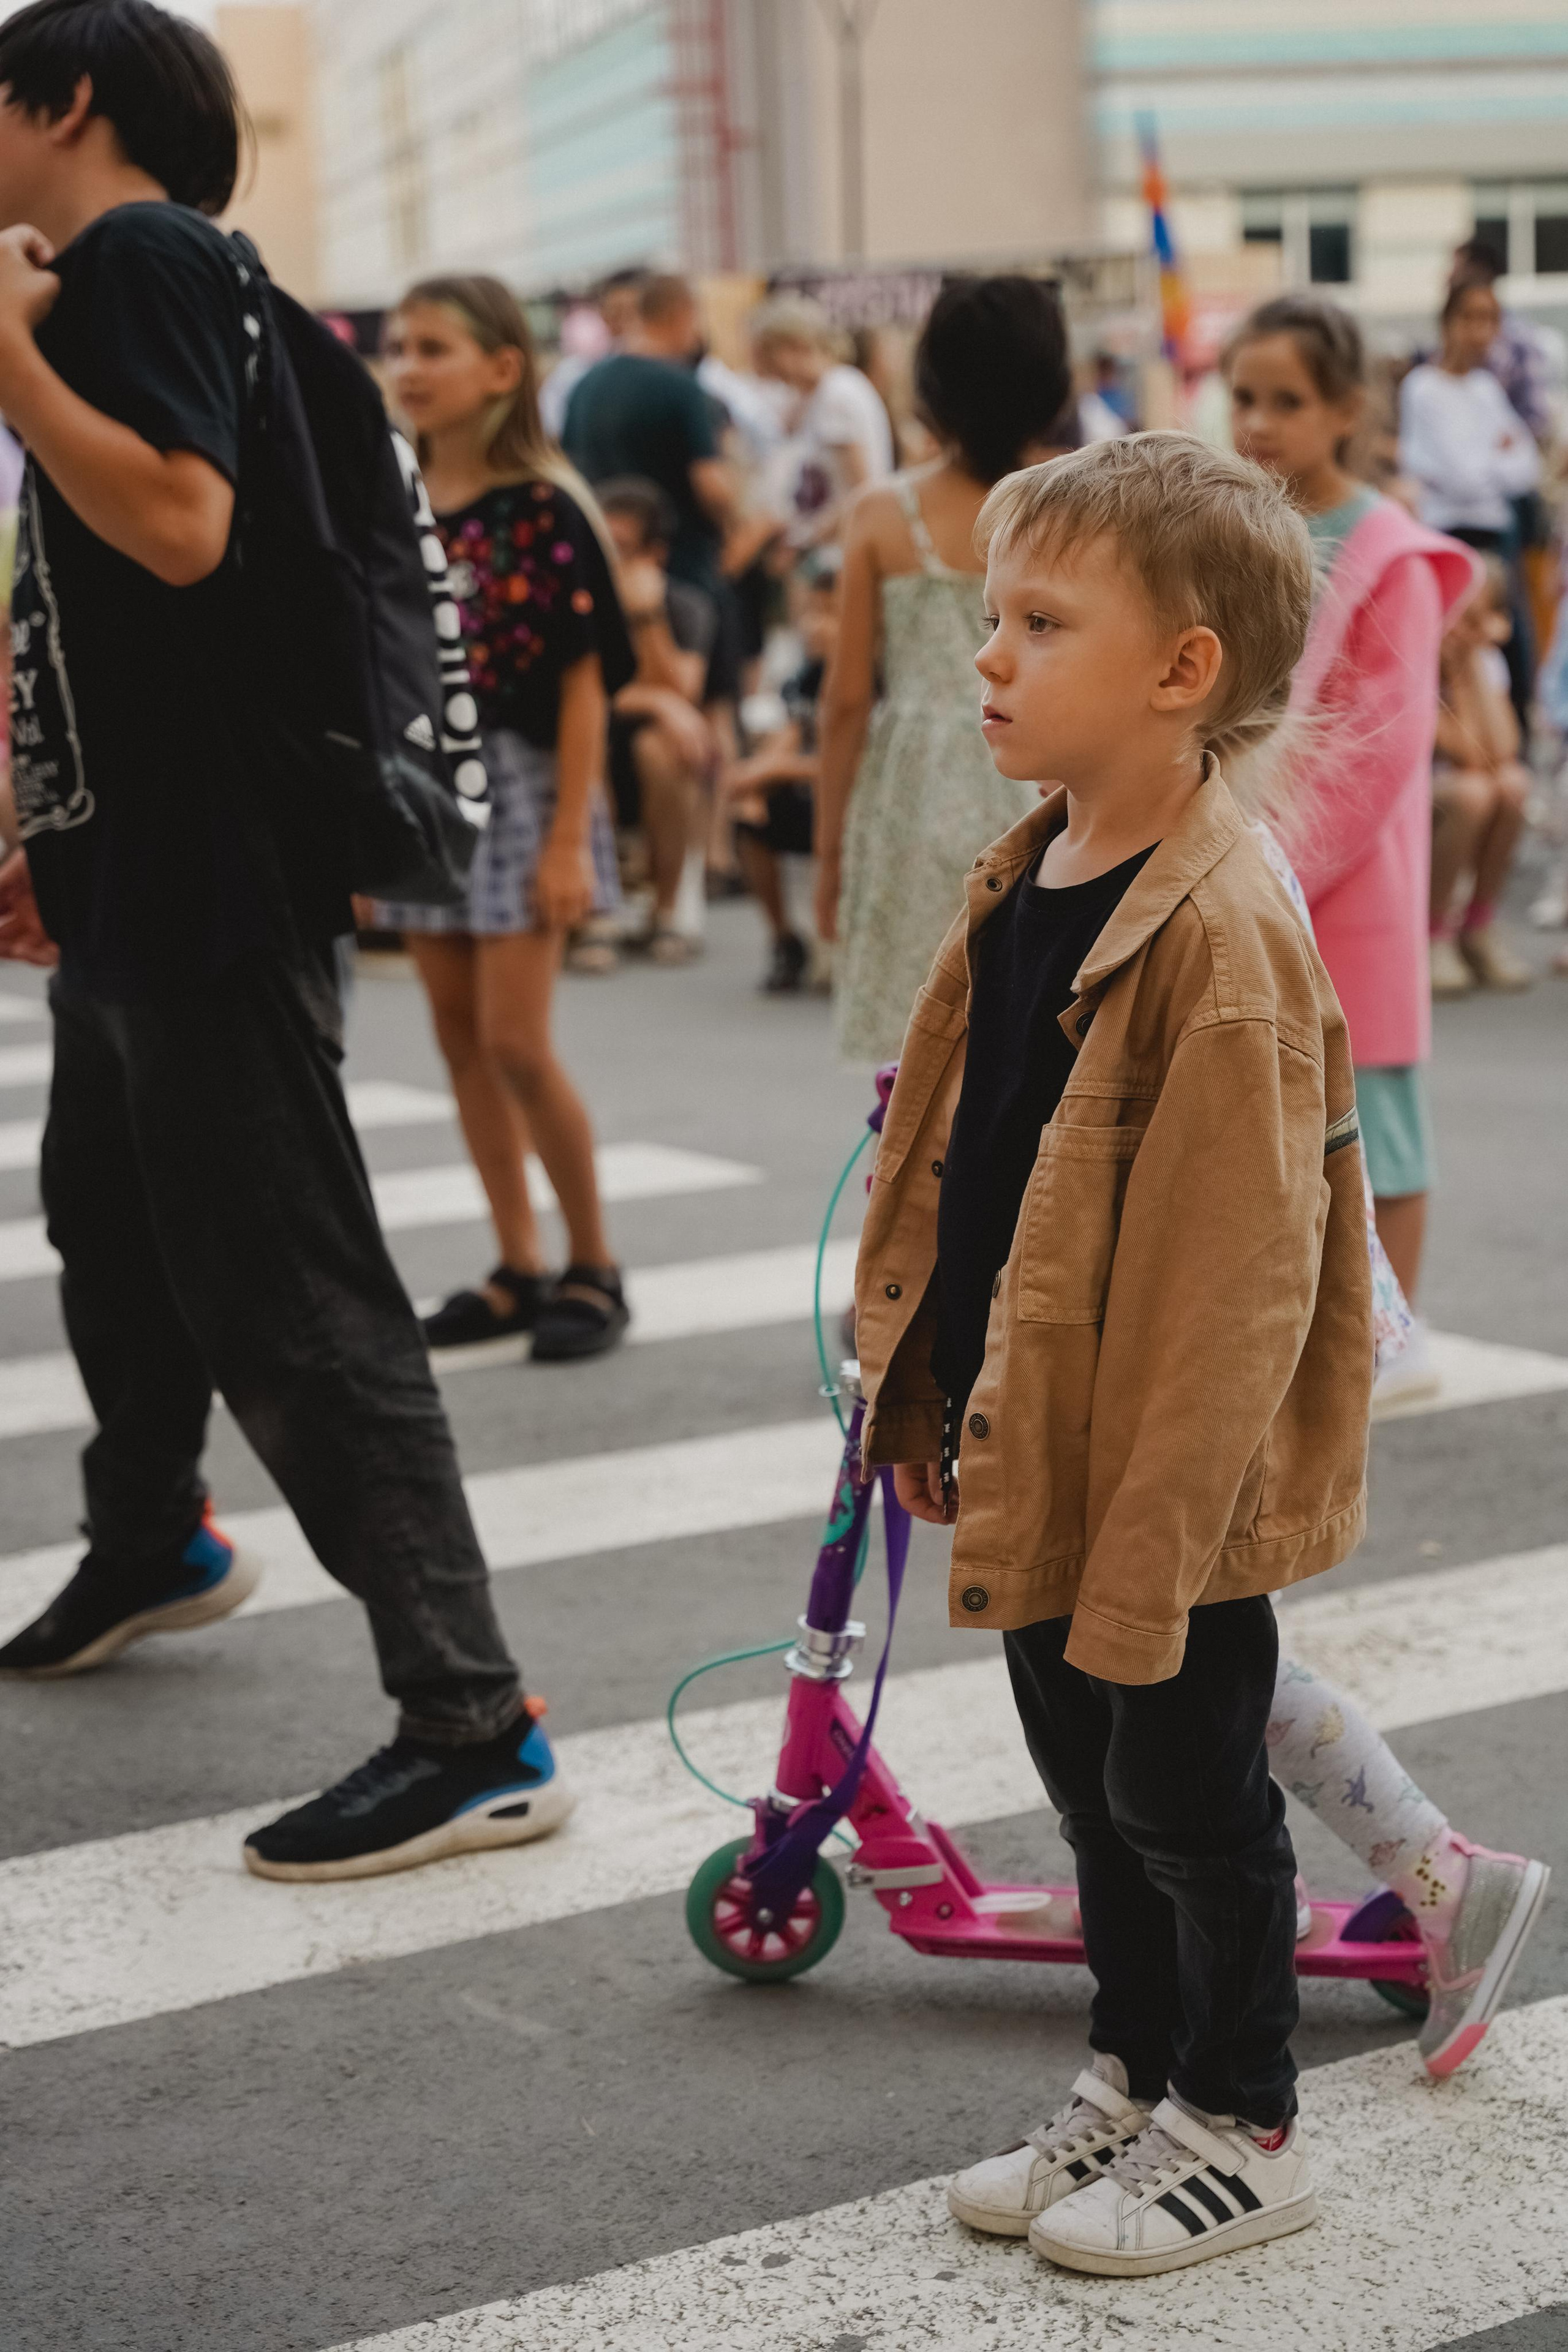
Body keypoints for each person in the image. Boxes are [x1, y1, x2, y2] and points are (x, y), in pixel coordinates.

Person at [0, 0, 572, 1883]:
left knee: (294, 1290)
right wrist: (42, 818)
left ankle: (472, 1720)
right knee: (117, 1211)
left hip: (211, 873)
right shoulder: (120, 269)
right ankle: (155, 1532)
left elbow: (174, 521)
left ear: (66, 101)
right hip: (136, 863)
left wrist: (9, 357)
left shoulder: (142, 253)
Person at [859, 432, 1370, 2275]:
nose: (985, 653)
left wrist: (1163, 1523)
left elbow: (1236, 1289)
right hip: (1039, 1425)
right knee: (1092, 1791)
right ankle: (1134, 2061)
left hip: (1164, 1466)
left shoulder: (1219, 932)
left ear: (1182, 672)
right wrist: (920, 1386)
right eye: (991, 614)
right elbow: (960, 1160)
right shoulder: (1036, 866)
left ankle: (1242, 2111)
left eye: (1039, 621)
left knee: (1186, 1797)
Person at [374, 276, 634, 1362]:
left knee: (519, 1042)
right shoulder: (388, 495)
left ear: (502, 368)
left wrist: (572, 837)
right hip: (419, 784)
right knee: (459, 1042)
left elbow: (584, 684)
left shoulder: (546, 505)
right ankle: (516, 1263)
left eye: (435, 345)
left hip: (525, 790)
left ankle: (594, 1265)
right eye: (399, 346)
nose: (409, 365)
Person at [1227, 293, 1477, 1401]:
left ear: (1345, 411)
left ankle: (1392, 1340)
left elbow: (1378, 749)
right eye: (1243, 397)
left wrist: (1263, 860)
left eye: (1287, 401)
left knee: (1376, 1119)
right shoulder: (1247, 528)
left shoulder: (1390, 554)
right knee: (1275, 1123)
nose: (1259, 423)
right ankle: (1318, 1338)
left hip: (1346, 883)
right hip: (1255, 869)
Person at [816, 274, 1074, 1064]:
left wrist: (828, 858)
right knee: (1033, 1041)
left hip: (911, 797)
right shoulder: (1076, 505)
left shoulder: (881, 514)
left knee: (921, 1058)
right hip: (1042, 784)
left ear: (931, 385)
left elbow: (846, 703)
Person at [1400, 276, 1540, 734]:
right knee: (1455, 645)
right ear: (1448, 323)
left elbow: (1527, 465)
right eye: (1470, 318)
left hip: (1493, 532)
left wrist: (1483, 464)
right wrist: (1494, 454)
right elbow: (1462, 477)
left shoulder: (1485, 389)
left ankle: (1512, 744)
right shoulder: (1423, 388)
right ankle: (1462, 752)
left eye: (1490, 320)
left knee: (1508, 642)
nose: (1480, 331)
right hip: (1451, 533)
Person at [596, 474, 716, 966]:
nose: (609, 562)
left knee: (663, 751)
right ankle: (595, 913)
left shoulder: (686, 606)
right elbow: (584, 697)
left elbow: (682, 688)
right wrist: (658, 703)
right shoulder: (581, 602)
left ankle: (666, 914)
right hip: (591, 751)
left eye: (621, 549)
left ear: (654, 555)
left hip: (649, 756)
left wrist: (646, 615)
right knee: (586, 746)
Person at [721, 554, 839, 993]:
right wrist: (750, 776)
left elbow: (846, 763)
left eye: (830, 613)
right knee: (751, 816)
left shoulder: (875, 678)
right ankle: (785, 940)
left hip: (852, 803)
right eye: (810, 612)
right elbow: (787, 741)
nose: (815, 625)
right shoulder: (804, 678)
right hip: (813, 799)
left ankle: (840, 943)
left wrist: (778, 769)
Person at [1430, 562, 1534, 995]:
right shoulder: (1416, 658)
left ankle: (1477, 924)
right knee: (1473, 793)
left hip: (1462, 780)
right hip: (1417, 793)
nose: (1464, 629)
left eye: (1476, 618)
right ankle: (1432, 932)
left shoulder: (1483, 661)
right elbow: (1468, 753)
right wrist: (1454, 673)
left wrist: (1470, 664)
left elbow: (1503, 749)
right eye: (1457, 615)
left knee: (1513, 784)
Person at [750, 293, 894, 548]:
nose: (769, 371)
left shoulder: (837, 395)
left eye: (769, 357)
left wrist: (805, 541)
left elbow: (861, 491)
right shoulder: (824, 392)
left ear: (791, 346)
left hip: (835, 556)